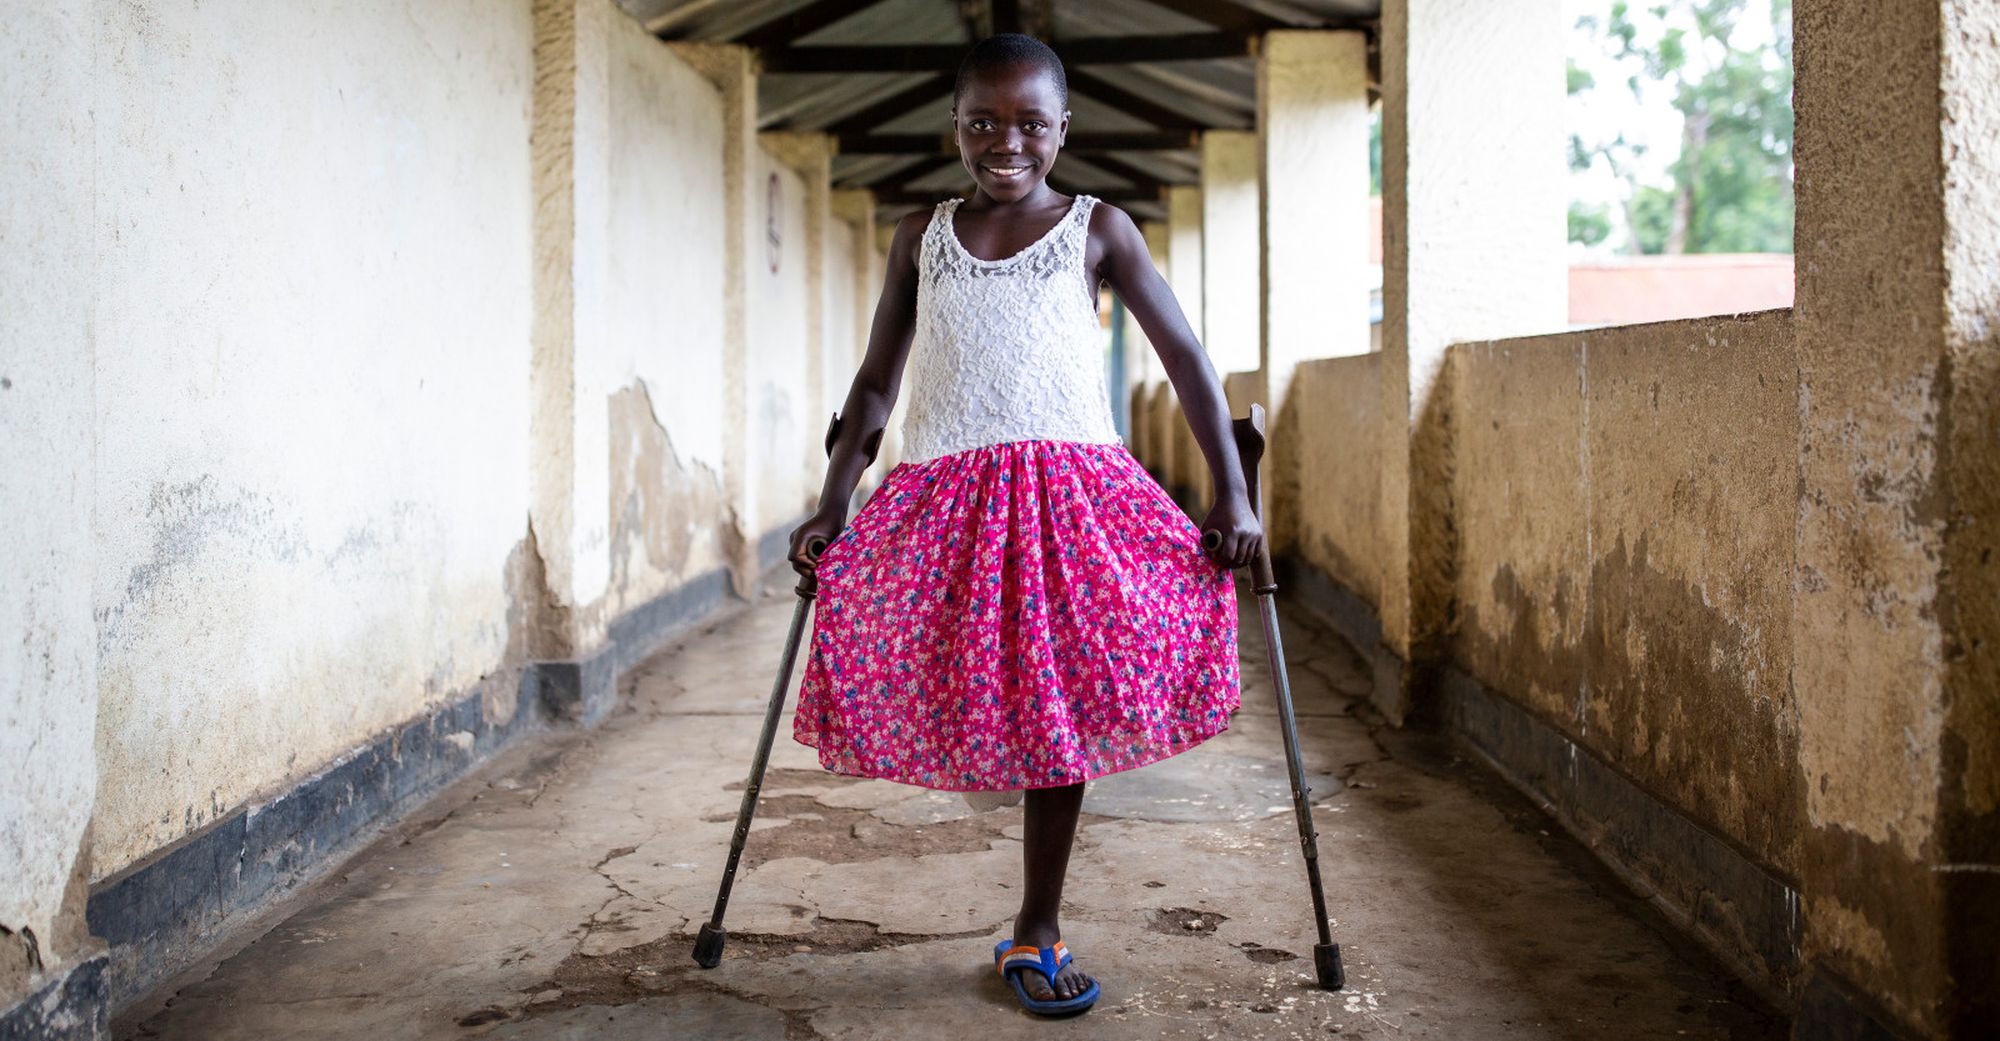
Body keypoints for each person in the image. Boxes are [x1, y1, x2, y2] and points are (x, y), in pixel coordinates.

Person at [785, 32, 1261, 1017]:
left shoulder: (1097, 229)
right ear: (953, 128)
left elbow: (1184, 361)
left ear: (1062, 130)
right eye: (982, 123)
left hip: (1072, 502)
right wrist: (834, 502)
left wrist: (1231, 492)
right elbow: (876, 383)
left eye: (1029, 124)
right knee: (924, 664)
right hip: (943, 500)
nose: (1006, 143)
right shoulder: (920, 236)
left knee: (1061, 707)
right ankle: (1022, 919)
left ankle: (1036, 925)